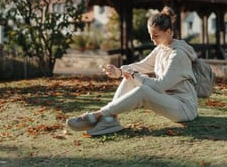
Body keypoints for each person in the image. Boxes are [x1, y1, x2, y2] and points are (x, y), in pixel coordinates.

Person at [66, 7, 198, 136]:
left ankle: (97, 115)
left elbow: (160, 85)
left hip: (184, 108)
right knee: (130, 78)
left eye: (156, 36)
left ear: (169, 32)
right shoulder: (161, 48)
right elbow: (140, 66)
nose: (153, 40)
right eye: (151, 36)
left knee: (142, 90)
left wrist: (134, 75)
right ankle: (109, 120)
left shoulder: (178, 55)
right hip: (168, 99)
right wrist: (119, 71)